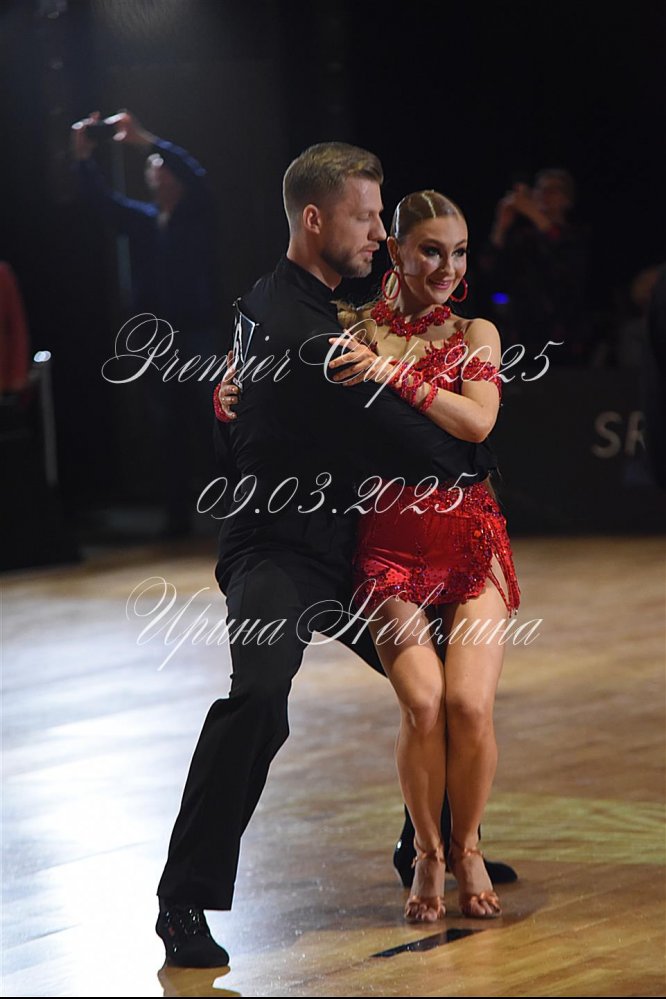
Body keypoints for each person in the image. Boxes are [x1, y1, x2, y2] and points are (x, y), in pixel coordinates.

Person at [155, 142, 502, 968]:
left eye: (383, 217)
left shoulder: (281, 303)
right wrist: (471, 453)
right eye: (366, 217)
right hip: (278, 548)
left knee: (444, 683)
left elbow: (243, 420)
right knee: (259, 697)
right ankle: (182, 897)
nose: (380, 233)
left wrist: (225, 407)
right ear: (315, 219)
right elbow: (419, 446)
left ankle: (434, 841)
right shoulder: (311, 335)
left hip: (350, 539)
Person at [323, 190, 520, 921]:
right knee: (425, 703)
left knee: (468, 704)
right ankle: (428, 854)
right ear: (396, 250)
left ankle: (468, 847)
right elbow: (289, 386)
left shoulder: (475, 332)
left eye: (459, 252)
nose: (447, 267)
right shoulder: (353, 328)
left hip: (470, 537)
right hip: (389, 543)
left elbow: (477, 421)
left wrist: (391, 373)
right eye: (431, 251)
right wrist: (230, 389)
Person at [71, 110, 219, 536]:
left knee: (211, 419)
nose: (161, 171)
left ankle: (231, 509)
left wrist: (146, 141)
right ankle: (177, 516)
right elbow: (101, 202)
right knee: (166, 425)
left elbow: (195, 175)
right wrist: (83, 158)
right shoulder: (141, 221)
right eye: (154, 167)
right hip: (158, 340)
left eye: (164, 166)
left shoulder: (197, 213)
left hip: (197, 331)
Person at [478, 168, 589, 365]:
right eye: (540, 189)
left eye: (553, 190)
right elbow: (488, 272)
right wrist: (501, 226)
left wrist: (534, 214)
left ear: (567, 200)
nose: (544, 194)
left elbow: (566, 271)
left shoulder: (577, 236)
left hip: (562, 338)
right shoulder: (523, 237)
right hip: (519, 337)